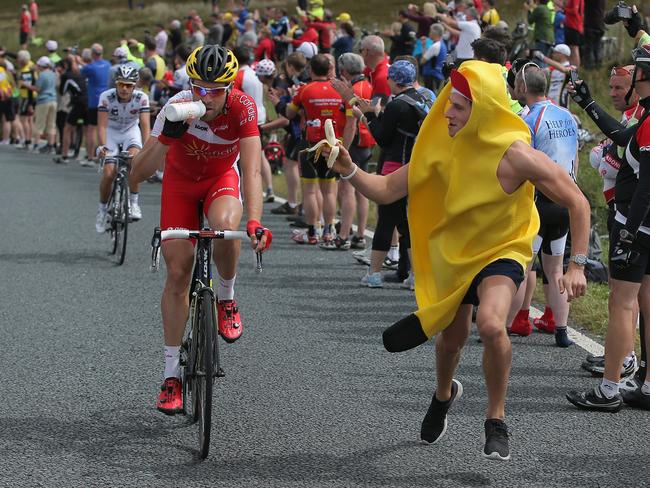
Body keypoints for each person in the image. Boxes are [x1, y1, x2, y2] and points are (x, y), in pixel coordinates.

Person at [324, 60, 589, 459]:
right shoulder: (440, 150)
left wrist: (577, 264)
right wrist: (348, 170)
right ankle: (444, 394)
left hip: (504, 249)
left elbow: (578, 202)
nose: (447, 111)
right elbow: (384, 190)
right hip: (455, 254)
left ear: (482, 108)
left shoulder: (516, 154)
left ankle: (495, 418)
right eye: (449, 102)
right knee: (452, 340)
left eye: (459, 105)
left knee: (491, 324)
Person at [129, 45, 272, 414]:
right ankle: (172, 374)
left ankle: (226, 296)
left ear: (230, 88)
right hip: (179, 184)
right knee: (178, 271)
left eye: (215, 89)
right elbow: (138, 173)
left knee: (226, 226)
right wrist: (166, 138)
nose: (205, 97)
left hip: (219, 180)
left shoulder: (243, 107)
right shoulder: (176, 105)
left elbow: (253, 170)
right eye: (199, 87)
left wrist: (256, 220)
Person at [566, 42, 650, 412]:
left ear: (643, 77)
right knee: (645, 303)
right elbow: (623, 137)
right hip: (643, 226)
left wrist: (630, 231)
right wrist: (588, 104)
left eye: (637, 70)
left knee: (621, 304)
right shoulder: (645, 116)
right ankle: (646, 385)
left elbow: (647, 185)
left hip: (637, 226)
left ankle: (609, 389)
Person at [507, 64, 578, 348]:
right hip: (567, 198)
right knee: (556, 269)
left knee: (523, 266)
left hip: (537, 200)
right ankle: (562, 331)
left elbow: (518, 162)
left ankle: (505, 325)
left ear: (522, 88)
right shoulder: (567, 115)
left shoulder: (525, 118)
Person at [286, 53, 355, 246]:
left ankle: (312, 231)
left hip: (310, 144)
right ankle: (328, 231)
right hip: (333, 144)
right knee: (329, 192)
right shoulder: (340, 90)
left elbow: (289, 112)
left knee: (309, 190)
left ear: (311, 70)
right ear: (329, 69)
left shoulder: (305, 89)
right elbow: (351, 117)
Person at [94, 65, 150, 230]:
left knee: (134, 163)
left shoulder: (142, 98)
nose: (125, 89)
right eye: (121, 85)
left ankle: (133, 203)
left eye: (129, 85)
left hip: (130, 132)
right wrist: (103, 146)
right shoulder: (106, 97)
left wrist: (146, 150)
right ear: (116, 84)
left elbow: (145, 126)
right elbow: (102, 126)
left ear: (135, 85)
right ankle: (102, 210)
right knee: (109, 172)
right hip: (111, 131)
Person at [81, 43, 110, 166]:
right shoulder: (108, 64)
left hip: (94, 100)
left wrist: (79, 60)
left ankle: (90, 157)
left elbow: (81, 71)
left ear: (93, 54)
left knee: (91, 130)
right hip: (107, 100)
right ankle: (105, 156)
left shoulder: (90, 67)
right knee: (104, 129)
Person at [28, 56, 57, 154]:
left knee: (39, 123)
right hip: (53, 100)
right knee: (51, 124)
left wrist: (27, 85)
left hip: (43, 100)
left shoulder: (42, 75)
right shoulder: (53, 74)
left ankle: (36, 144)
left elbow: (38, 89)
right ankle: (51, 145)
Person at [563, 0, 584, 68]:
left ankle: (575, 72)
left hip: (573, 26)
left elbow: (574, 11)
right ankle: (572, 71)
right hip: (573, 25)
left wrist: (564, 8)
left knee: (574, 50)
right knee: (571, 50)